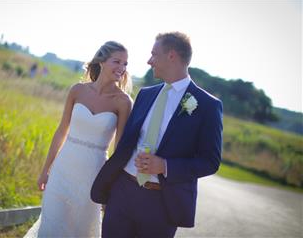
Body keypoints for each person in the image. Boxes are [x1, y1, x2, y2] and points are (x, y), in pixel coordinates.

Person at [91, 31, 223, 237]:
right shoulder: (145, 94)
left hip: (162, 204)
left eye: (154, 54)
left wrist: (165, 166)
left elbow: (210, 161)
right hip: (122, 193)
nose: (149, 61)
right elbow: (126, 142)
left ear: (171, 56)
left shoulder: (207, 106)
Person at [24, 41, 132, 237]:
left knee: (79, 230)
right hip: (62, 171)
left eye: (125, 64)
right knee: (51, 226)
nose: (122, 68)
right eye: (117, 61)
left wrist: (111, 187)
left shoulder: (123, 102)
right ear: (101, 62)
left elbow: (120, 149)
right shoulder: (77, 90)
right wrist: (45, 170)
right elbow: (61, 132)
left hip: (93, 175)